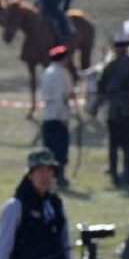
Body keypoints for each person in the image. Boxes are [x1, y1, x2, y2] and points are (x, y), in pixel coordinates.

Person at [93, 33, 129, 186]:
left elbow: (101, 88)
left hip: (113, 111)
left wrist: (95, 107)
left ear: (115, 48)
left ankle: (114, 174)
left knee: (114, 144)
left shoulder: (108, 66)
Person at [40, 44, 74, 188]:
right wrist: (64, 117)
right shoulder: (61, 73)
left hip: (47, 115)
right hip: (58, 115)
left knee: (49, 148)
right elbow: (62, 96)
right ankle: (59, 177)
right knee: (60, 149)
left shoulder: (46, 72)